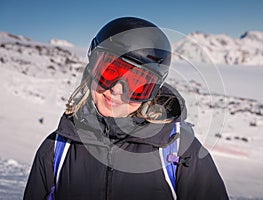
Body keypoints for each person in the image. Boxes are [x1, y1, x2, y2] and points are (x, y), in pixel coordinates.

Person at [24, 17, 229, 200]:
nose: (116, 90)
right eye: (109, 71)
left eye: (137, 83)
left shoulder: (180, 152)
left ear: (153, 90)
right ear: (91, 68)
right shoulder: (56, 150)